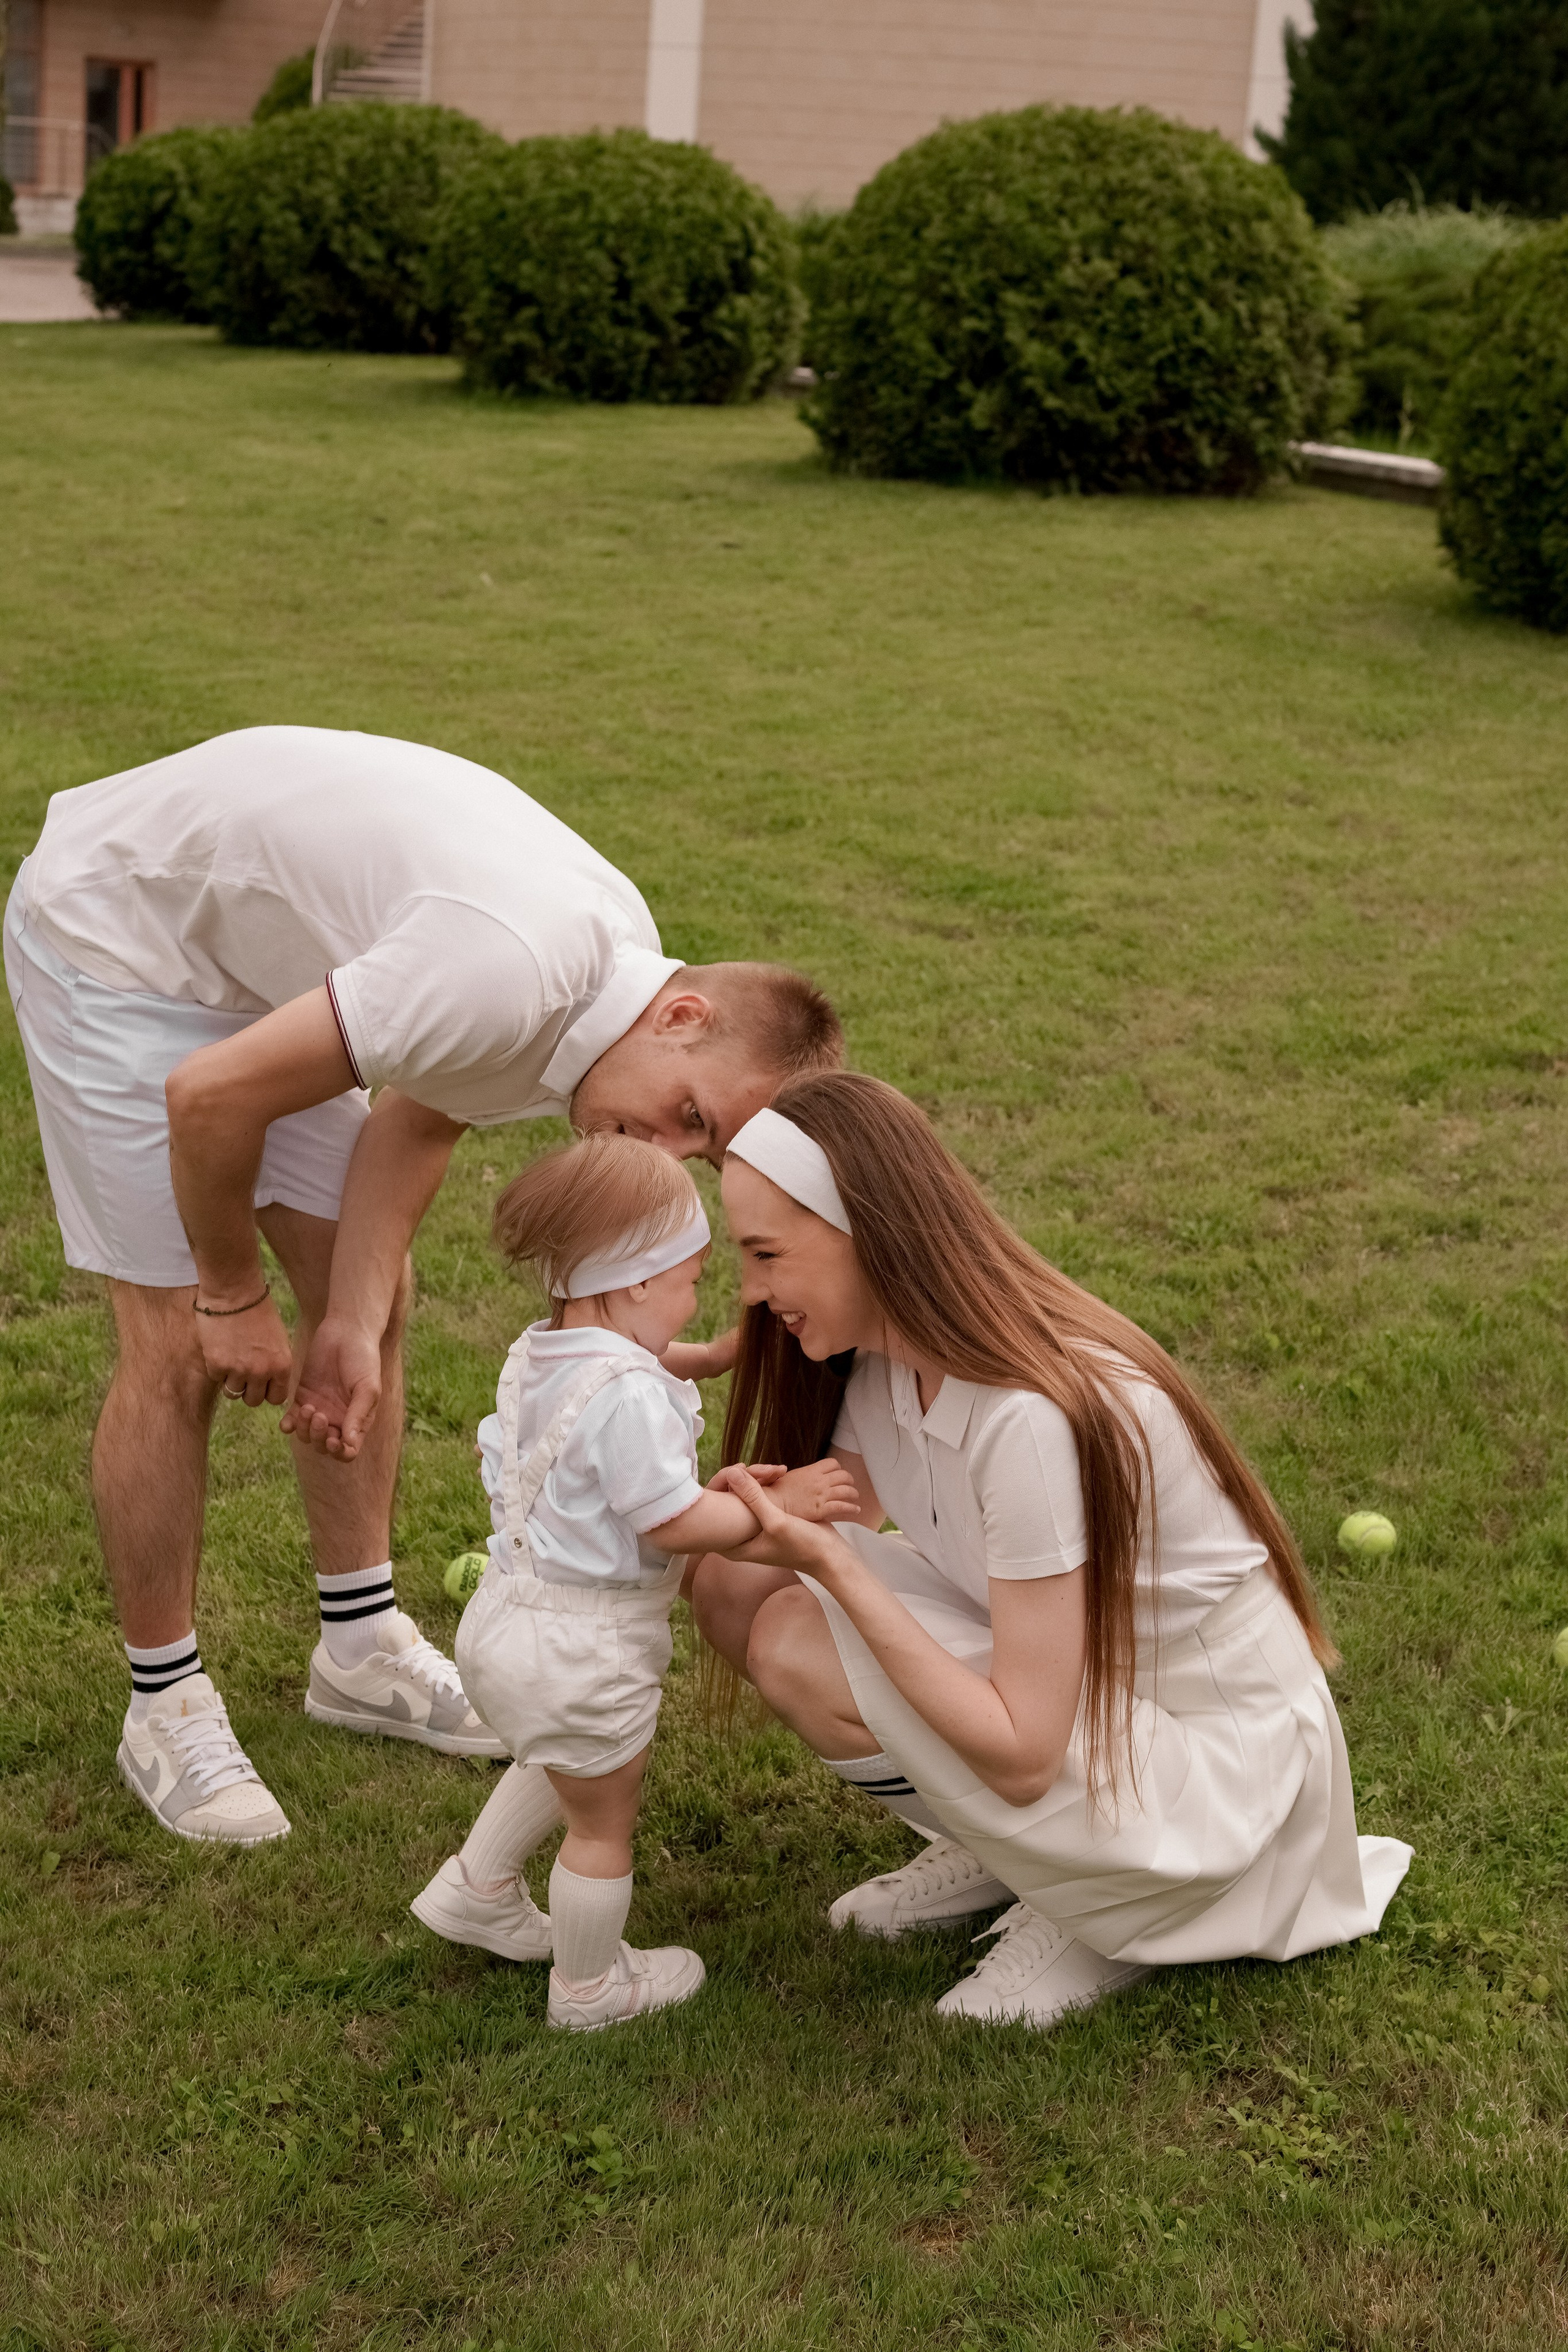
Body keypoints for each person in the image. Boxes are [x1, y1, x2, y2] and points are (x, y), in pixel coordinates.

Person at [3, 726, 841, 1848]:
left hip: (253, 966)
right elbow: (211, 1097)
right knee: (176, 1344)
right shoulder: (509, 972)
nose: (669, 1151)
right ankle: (165, 1704)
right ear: (681, 1017)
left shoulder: (603, 999)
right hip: (116, 933)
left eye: (704, 1147)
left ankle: (358, 1648)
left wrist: (348, 1320)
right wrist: (231, 1293)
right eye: (691, 1114)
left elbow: (418, 1115)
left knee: (375, 1301)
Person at [691, 1074, 1412, 2030]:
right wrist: (630, 1470)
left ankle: (1107, 1901)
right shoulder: (882, 1371)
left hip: (1220, 1782)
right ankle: (1023, 1855)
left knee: (799, 1632)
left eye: (765, 1254)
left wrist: (837, 1567)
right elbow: (782, 1541)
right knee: (738, 1585)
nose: (749, 1292)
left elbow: (1027, 1754)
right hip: (1097, 1704)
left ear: (867, 1230)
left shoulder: (1027, 1419)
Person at [409, 1133, 859, 2030]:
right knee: (600, 1821)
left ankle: (477, 1889)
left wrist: (712, 1355)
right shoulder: (629, 1400)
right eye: (690, 1281)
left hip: (505, 1623)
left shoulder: (543, 1350)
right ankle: (588, 1989)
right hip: (588, 1645)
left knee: (560, 1755)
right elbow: (674, 1523)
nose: (699, 1296)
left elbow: (630, 1363)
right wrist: (781, 1504)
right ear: (638, 1283)